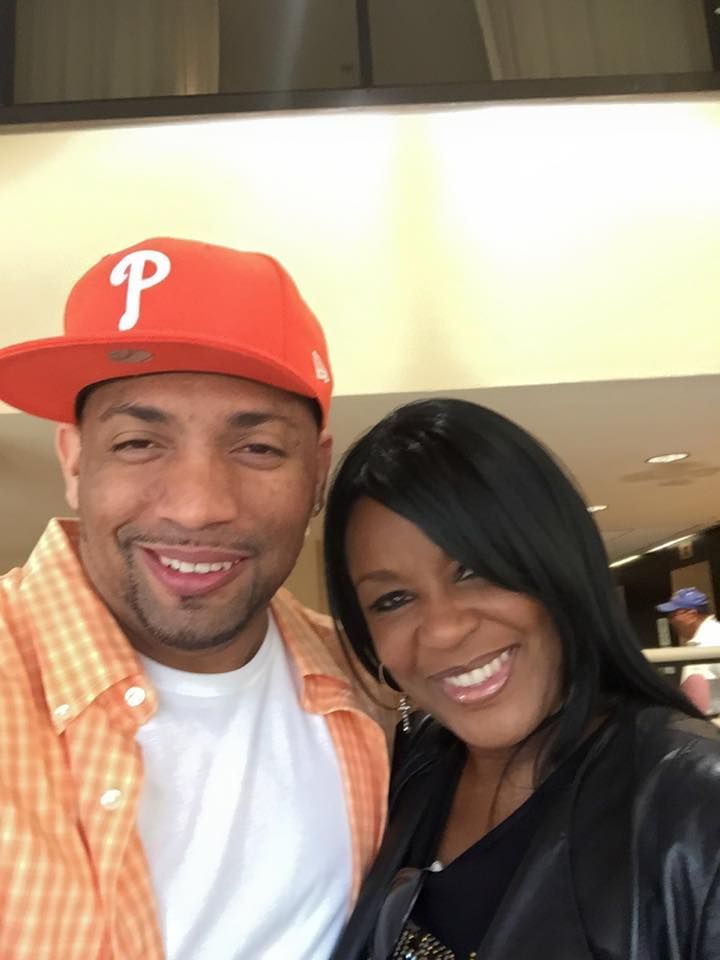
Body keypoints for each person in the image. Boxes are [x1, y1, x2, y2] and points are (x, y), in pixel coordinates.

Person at [0, 237, 393, 960]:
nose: (198, 507)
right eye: (138, 443)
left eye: (258, 448)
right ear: (74, 460)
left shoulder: (372, 683)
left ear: (317, 473)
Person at [323, 397, 720, 960]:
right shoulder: (413, 771)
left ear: (558, 563)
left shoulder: (694, 804)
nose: (443, 630)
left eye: (474, 570)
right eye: (393, 599)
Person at [657, 587, 720, 716]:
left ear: (691, 614)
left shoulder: (714, 639)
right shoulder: (702, 639)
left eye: (673, 615)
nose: (671, 621)